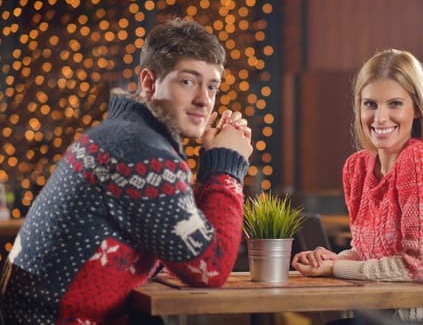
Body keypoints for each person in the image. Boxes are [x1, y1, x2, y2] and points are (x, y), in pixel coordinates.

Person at [0, 17, 253, 324]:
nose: (204, 100)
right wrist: (227, 165)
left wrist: (214, 162)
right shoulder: (143, 153)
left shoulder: (122, 135)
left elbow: (180, 252)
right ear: (149, 82)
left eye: (212, 86)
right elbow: (210, 268)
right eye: (188, 81)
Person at [291, 49, 423, 324]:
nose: (380, 117)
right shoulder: (357, 168)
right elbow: (372, 253)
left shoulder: (417, 160)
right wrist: (333, 258)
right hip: (389, 316)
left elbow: (420, 266)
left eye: (395, 104)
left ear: (417, 109)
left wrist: (336, 268)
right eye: (370, 104)